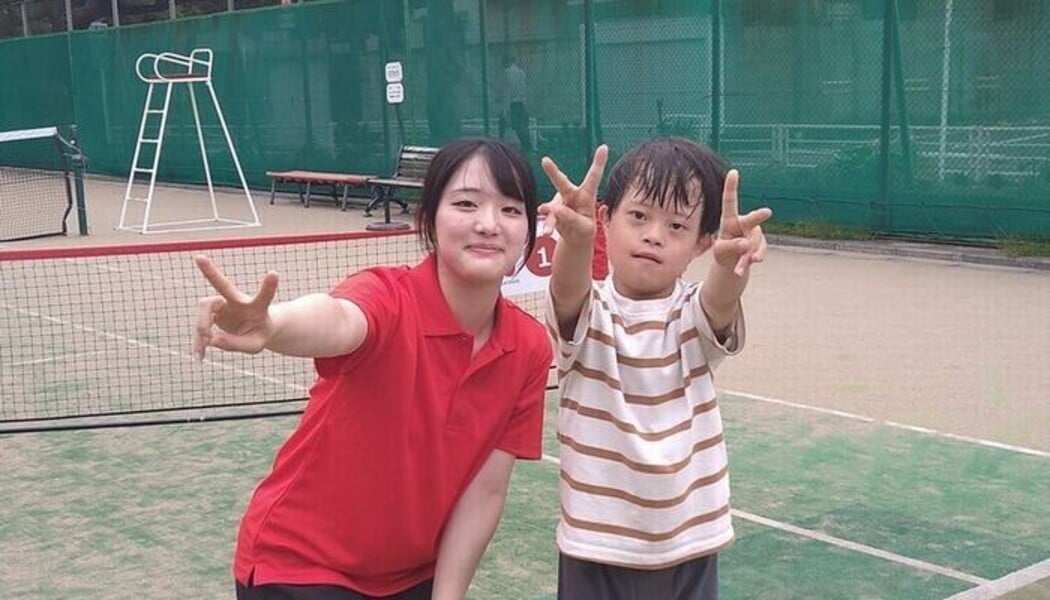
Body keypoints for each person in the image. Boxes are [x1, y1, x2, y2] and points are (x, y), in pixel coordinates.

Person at [192, 138, 553, 600]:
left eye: (510, 209)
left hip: (410, 575)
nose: (488, 224)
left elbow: (484, 493)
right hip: (302, 566)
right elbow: (340, 319)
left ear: (528, 230)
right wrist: (273, 324)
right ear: (429, 218)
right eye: (466, 203)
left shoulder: (527, 348)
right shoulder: (388, 297)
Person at [539, 137, 772, 599]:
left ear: (703, 243)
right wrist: (576, 240)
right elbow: (566, 288)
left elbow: (721, 300)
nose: (654, 235)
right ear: (606, 220)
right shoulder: (590, 310)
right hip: (596, 544)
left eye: (677, 225)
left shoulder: (693, 314)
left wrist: (732, 263)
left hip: (689, 542)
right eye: (639, 216)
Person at [498, 56, 532, 154]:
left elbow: (507, 92)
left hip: (511, 103)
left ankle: (500, 146)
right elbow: (524, 90)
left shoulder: (506, 73)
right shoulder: (522, 73)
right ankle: (527, 146)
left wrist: (505, 109)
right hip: (520, 103)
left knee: (503, 125)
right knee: (521, 127)